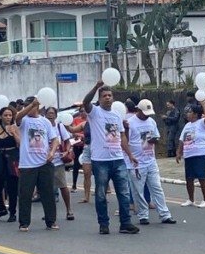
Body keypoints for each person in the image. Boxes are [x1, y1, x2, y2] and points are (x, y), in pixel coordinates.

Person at [80, 79, 140, 235]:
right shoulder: (94, 112)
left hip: (118, 159)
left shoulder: (116, 115)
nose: (108, 98)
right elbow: (85, 102)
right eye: (104, 95)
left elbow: (122, 137)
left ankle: (125, 223)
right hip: (101, 161)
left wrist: (130, 154)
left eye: (110, 95)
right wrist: (96, 87)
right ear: (99, 99)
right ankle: (103, 224)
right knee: (101, 194)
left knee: (124, 193)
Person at [128, 99, 175, 226]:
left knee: (157, 188)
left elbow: (157, 138)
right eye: (145, 113)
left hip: (150, 160)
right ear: (138, 110)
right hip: (137, 163)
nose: (147, 115)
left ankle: (165, 214)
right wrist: (130, 156)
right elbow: (125, 141)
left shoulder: (151, 122)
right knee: (138, 191)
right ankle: (143, 215)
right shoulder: (130, 123)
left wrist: (154, 140)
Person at [15, 99, 59, 232]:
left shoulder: (45, 121)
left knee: (48, 194)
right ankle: (24, 223)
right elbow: (17, 117)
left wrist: (52, 152)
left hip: (44, 163)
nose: (32, 109)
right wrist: (29, 106)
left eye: (35, 106)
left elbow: (55, 139)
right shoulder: (24, 120)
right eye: (29, 106)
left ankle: (51, 221)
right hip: (27, 165)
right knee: (25, 195)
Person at [176, 98, 205, 207]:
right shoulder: (187, 125)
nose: (188, 114)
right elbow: (182, 139)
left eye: (190, 112)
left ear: (196, 114)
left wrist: (203, 104)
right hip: (188, 155)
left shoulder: (202, 123)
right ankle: (191, 199)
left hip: (200, 154)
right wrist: (179, 152)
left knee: (202, 178)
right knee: (189, 178)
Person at [0, 107, 21, 222]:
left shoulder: (15, 128)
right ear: (0, 116)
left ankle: (12, 212)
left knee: (12, 187)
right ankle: (1, 208)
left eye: (10, 115)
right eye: (6, 115)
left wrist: (14, 134)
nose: (8, 117)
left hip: (12, 158)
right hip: (0, 158)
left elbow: (20, 144)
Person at [45, 107, 75, 221]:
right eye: (48, 113)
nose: (50, 115)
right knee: (47, 189)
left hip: (57, 161)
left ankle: (69, 210)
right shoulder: (42, 126)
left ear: (56, 115)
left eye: (52, 113)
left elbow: (67, 141)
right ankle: (50, 213)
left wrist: (66, 152)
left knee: (62, 186)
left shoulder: (59, 126)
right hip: (45, 161)